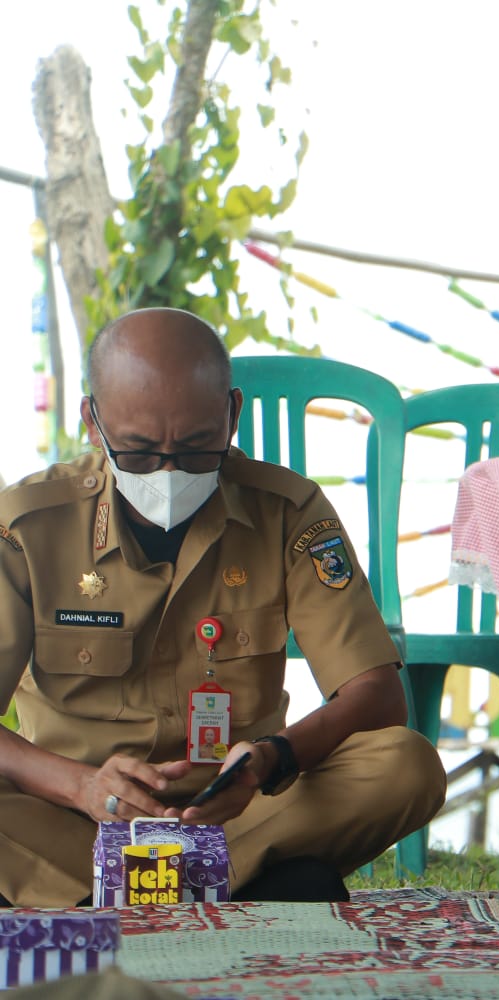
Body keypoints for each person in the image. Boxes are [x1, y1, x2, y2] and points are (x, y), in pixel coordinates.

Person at [0, 307, 445, 907]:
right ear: (91, 420)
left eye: (196, 448)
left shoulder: (287, 512)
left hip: (234, 815)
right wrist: (82, 787)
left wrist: (271, 759)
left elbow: (377, 696)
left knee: (405, 764)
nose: (168, 472)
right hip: (77, 818)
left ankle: (117, 897)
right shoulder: (26, 526)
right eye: (136, 452)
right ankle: (242, 888)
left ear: (232, 414)